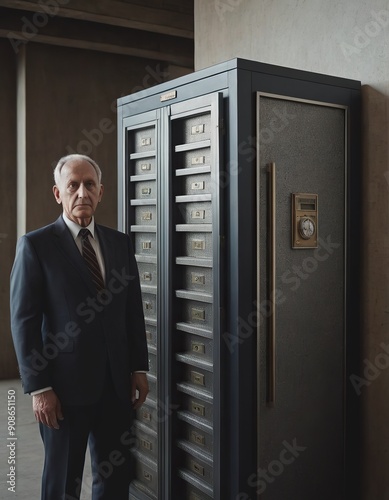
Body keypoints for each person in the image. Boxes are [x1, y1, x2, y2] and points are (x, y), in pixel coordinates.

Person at [10, 154, 149, 500]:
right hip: (62, 390)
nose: (82, 192)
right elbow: (24, 322)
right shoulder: (36, 246)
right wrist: (39, 388)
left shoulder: (120, 244)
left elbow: (132, 311)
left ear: (101, 192)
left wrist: (138, 367)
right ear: (58, 193)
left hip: (116, 386)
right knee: (62, 482)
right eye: (73, 185)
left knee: (115, 478)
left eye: (90, 185)